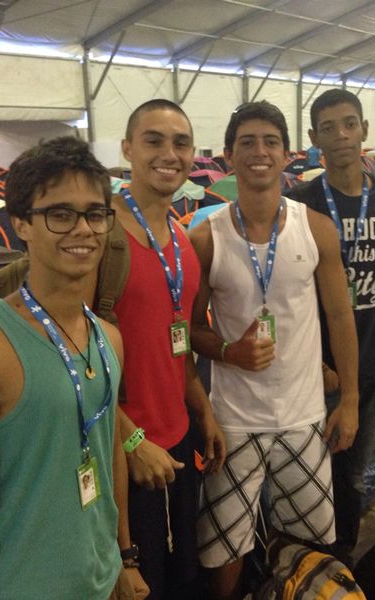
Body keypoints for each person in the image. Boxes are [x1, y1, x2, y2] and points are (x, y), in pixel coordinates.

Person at [0, 137, 148, 600]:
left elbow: (110, 454)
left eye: (95, 214)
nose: (83, 229)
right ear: (22, 223)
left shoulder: (109, 338)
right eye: (60, 214)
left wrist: (123, 558)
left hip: (100, 579)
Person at [189, 101, 360, 600]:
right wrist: (228, 351)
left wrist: (349, 400)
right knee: (224, 548)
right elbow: (186, 331)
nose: (259, 152)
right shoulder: (206, 238)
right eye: (247, 142)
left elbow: (340, 317)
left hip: (304, 416)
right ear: (228, 155)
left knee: (307, 541)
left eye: (271, 142)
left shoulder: (316, 228)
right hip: (234, 420)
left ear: (287, 155)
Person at [114, 99, 226, 599]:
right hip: (126, 451)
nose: (169, 154)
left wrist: (204, 413)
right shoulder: (102, 236)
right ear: (127, 149)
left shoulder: (182, 244)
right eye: (153, 140)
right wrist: (131, 441)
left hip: (178, 444)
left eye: (180, 143)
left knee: (182, 579)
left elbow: (176, 349)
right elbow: (73, 358)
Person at [287, 89, 375, 562]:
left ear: (364, 130)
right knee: (310, 473)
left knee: (353, 473)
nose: (341, 135)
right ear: (314, 138)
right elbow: (289, 293)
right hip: (320, 371)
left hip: (373, 366)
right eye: (329, 128)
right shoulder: (302, 202)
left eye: (350, 124)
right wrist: (315, 362)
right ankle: (305, 564)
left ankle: (342, 559)